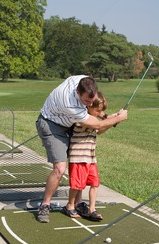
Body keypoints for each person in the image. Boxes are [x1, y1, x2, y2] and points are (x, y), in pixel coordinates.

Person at [36, 75, 127, 222]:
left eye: (92, 100)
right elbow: (96, 126)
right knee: (60, 168)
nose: (89, 104)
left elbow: (95, 111)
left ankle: (77, 204)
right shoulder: (69, 103)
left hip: (68, 123)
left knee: (79, 174)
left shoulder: (82, 80)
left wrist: (109, 116)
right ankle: (45, 205)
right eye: (86, 101)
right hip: (52, 124)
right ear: (78, 92)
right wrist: (117, 119)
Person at [62, 92, 111, 221]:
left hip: (90, 158)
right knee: (77, 185)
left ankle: (92, 209)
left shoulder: (93, 121)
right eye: (98, 110)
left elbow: (99, 130)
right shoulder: (81, 120)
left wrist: (111, 122)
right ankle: (70, 205)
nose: (99, 113)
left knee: (95, 183)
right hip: (78, 157)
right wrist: (112, 120)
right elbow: (98, 125)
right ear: (89, 107)